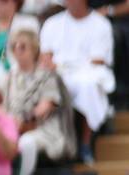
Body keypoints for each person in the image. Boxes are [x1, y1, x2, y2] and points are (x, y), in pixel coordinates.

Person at [39, 0, 114, 166]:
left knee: (88, 86)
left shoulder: (101, 24)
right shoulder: (52, 24)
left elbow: (99, 60)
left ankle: (85, 143)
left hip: (87, 73)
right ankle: (56, 143)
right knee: (49, 84)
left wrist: (65, 65)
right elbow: (45, 57)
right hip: (58, 74)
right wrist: (58, 66)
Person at [1, 28, 74, 175]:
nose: (18, 50)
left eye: (23, 46)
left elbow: (46, 106)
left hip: (42, 128)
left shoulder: (47, 75)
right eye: (14, 46)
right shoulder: (8, 77)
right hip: (12, 127)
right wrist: (9, 123)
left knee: (26, 143)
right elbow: (1, 108)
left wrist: (24, 120)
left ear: (34, 49)